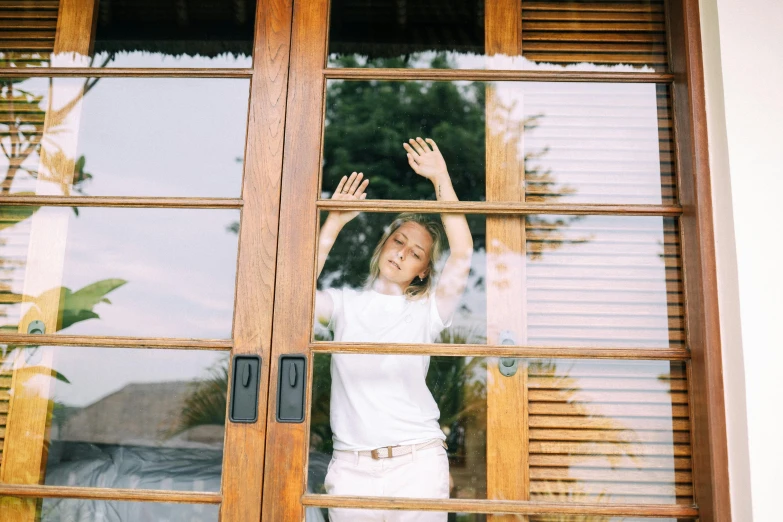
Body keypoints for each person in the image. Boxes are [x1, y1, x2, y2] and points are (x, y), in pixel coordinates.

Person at [314, 137, 473, 521]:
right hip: (351, 471)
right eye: (398, 241)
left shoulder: (428, 311)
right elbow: (288, 296)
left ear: (423, 271)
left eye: (415, 253)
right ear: (384, 244)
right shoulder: (344, 305)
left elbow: (463, 251)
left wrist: (441, 180)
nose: (402, 253)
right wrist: (333, 221)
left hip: (416, 464)